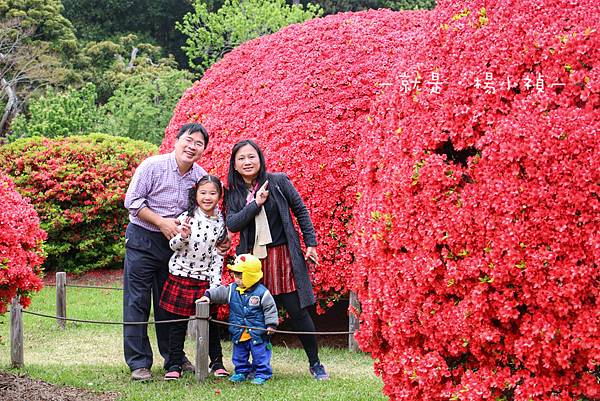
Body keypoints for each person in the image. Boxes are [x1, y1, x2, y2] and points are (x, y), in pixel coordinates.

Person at [123, 123, 229, 381]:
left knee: (168, 305)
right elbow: (132, 202)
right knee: (137, 301)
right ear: (177, 139)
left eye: (199, 144)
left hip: (177, 247)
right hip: (143, 239)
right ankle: (139, 362)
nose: (192, 147)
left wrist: (222, 239)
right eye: (188, 140)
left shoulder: (199, 177)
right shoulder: (153, 166)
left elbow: (210, 209)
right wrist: (161, 222)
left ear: (203, 149)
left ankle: (173, 358)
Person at [224, 139, 329, 380]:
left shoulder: (278, 181)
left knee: (298, 311)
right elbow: (233, 223)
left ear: (260, 158)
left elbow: (300, 210)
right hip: (252, 262)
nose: (247, 162)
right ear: (235, 165)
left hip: (283, 257)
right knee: (252, 316)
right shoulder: (234, 193)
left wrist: (311, 243)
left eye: (251, 156)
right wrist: (255, 204)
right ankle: (254, 367)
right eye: (241, 158)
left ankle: (315, 363)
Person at [159, 175, 229, 380]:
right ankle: (174, 365)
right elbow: (173, 247)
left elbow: (218, 256)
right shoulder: (186, 218)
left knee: (210, 324)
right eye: (203, 192)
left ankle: (217, 363)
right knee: (177, 324)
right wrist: (183, 235)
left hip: (205, 280)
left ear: (219, 196)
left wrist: (214, 288)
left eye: (212, 193)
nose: (207, 197)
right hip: (181, 275)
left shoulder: (221, 223)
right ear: (196, 194)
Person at [199, 253, 278, 385]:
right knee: (239, 356)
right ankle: (241, 372)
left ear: (251, 276)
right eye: (235, 275)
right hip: (239, 332)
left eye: (240, 276)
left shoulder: (262, 293)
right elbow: (221, 292)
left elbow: (270, 309)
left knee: (260, 356)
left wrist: (271, 324)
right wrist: (208, 296)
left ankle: (262, 373)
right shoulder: (232, 290)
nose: (236, 279)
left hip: (257, 334)